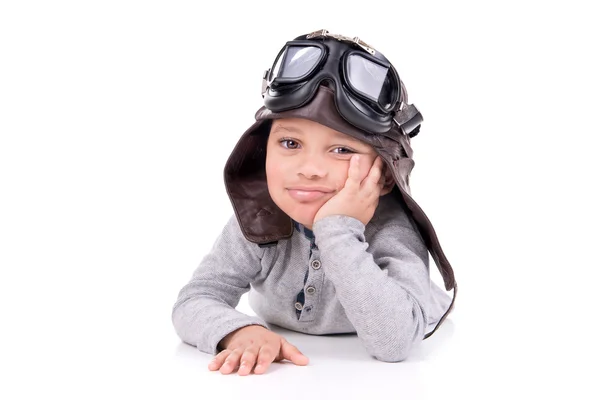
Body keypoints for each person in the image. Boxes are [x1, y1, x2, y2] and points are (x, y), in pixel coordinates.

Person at [172, 29, 457, 375]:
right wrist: (238, 331)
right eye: (290, 143)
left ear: (383, 174)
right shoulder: (259, 218)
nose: (309, 170)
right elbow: (194, 299)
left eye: (341, 150)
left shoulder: (394, 232)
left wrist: (337, 230)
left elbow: (396, 342)